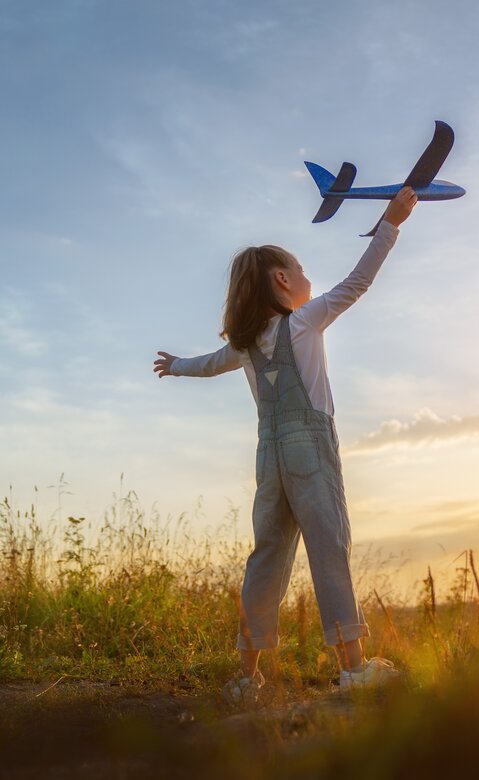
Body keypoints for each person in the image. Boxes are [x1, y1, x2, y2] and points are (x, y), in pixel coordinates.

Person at [154, 187, 418, 704]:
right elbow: (358, 282)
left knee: (268, 557)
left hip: (268, 457)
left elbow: (208, 363)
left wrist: (175, 365)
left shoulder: (246, 346)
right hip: (310, 452)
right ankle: (354, 669)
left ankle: (247, 678)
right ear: (282, 281)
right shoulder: (303, 321)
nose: (307, 277)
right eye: (299, 269)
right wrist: (391, 222)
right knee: (328, 549)